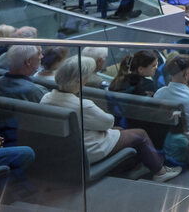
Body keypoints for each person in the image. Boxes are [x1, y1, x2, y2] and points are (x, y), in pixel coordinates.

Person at [41, 56, 181, 182]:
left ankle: (140, 164)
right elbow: (108, 121)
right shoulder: (83, 105)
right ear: (80, 80)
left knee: (121, 130)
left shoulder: (46, 97)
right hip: (89, 149)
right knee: (140, 134)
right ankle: (160, 172)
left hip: (65, 148)